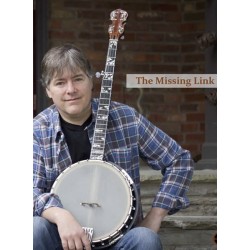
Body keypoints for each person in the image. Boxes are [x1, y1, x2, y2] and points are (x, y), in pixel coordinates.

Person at [33, 44, 194, 250]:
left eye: (78, 79)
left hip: (119, 240)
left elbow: (179, 160)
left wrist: (156, 215)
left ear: (91, 80)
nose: (71, 90)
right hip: (63, 240)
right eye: (60, 83)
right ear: (48, 90)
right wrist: (60, 215)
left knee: (145, 239)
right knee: (34, 228)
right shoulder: (37, 131)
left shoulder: (125, 118)